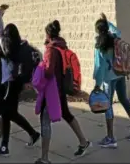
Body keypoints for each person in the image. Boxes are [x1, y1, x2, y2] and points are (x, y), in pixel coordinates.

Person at [35, 20, 90, 164]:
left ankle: (44, 158)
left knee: (45, 120)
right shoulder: (61, 46)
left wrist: (40, 67)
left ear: (48, 34)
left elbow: (48, 72)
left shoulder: (51, 50)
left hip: (52, 91)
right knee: (66, 114)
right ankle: (83, 142)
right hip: (61, 89)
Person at [0, 5, 40, 157]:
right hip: (16, 84)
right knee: (9, 114)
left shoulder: (5, 47)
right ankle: (9, 144)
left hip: (8, 86)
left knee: (9, 114)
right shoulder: (21, 47)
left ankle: (12, 143)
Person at [93, 13, 130, 148]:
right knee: (124, 99)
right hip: (120, 74)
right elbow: (117, 30)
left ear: (97, 30)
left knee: (107, 106)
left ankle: (110, 138)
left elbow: (99, 67)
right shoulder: (115, 38)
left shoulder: (100, 45)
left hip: (108, 80)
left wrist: (97, 85)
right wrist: (107, 21)